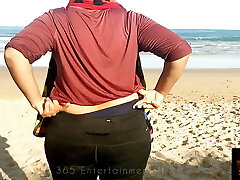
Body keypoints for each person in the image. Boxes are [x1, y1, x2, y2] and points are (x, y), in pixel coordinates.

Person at [4, 0, 191, 179]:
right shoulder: (132, 20)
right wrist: (159, 93)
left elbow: (15, 54)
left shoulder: (55, 19)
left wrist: (37, 101)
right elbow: (180, 50)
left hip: (70, 130)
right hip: (126, 129)